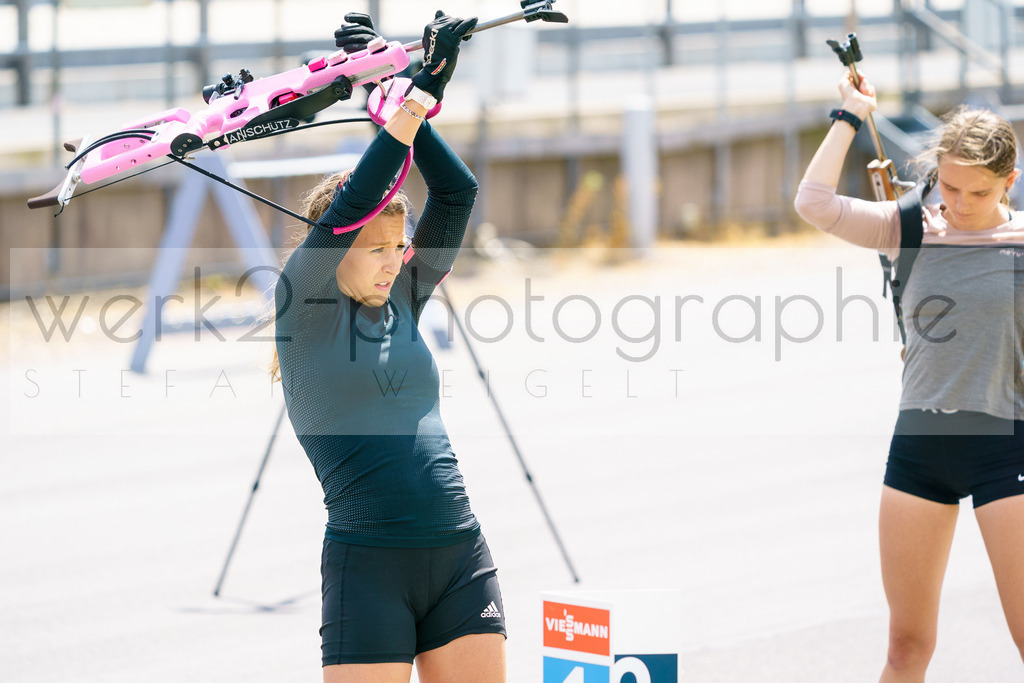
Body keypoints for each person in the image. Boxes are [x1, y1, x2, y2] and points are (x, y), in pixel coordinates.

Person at [272, 11, 507, 683]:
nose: (393, 260)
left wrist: (397, 87)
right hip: (369, 564)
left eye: (399, 248)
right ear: (335, 247)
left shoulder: (403, 296)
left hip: (460, 553)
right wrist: (416, 91)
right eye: (376, 248)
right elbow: (359, 198)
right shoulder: (304, 307)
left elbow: (457, 193)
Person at [795, 72, 1024, 681]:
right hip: (920, 446)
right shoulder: (913, 228)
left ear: (1010, 181)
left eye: (977, 192)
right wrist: (850, 115)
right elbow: (812, 203)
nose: (959, 202)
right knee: (905, 647)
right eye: (948, 185)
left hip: (1007, 447)